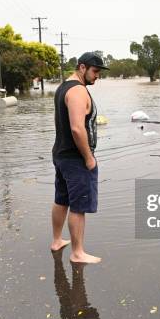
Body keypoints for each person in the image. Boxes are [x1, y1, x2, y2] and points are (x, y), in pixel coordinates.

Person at [50, 52, 108, 263]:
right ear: (82, 68)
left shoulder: (63, 87)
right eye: (95, 71)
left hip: (61, 154)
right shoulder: (77, 91)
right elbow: (77, 128)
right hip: (75, 158)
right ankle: (77, 253)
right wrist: (88, 158)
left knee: (61, 199)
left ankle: (57, 240)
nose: (97, 76)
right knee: (78, 205)